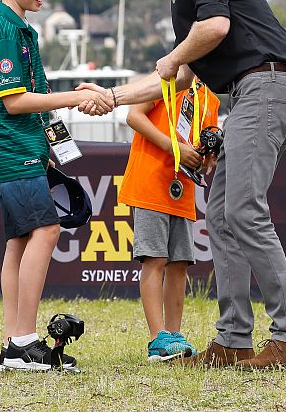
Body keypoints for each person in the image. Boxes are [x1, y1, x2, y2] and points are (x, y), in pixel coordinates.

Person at [105, 0, 286, 369]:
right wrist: (114, 96)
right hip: (243, 95)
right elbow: (177, 80)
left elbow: (214, 28)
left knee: (243, 210)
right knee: (219, 215)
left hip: (264, 85)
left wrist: (175, 56)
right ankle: (234, 339)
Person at [0, 0, 110, 371]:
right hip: (14, 152)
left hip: (26, 149)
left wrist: (50, 146)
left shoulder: (22, 30)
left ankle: (14, 341)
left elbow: (30, 99)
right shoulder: (2, 32)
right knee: (46, 232)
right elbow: (14, 101)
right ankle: (24, 341)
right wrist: (73, 97)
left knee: (19, 242)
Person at [119, 79, 220, 362]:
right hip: (150, 183)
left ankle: (174, 335)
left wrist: (208, 155)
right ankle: (157, 338)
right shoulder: (166, 79)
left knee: (179, 263)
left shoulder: (209, 97)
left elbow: (201, 142)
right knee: (154, 259)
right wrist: (174, 147)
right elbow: (133, 116)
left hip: (182, 189)